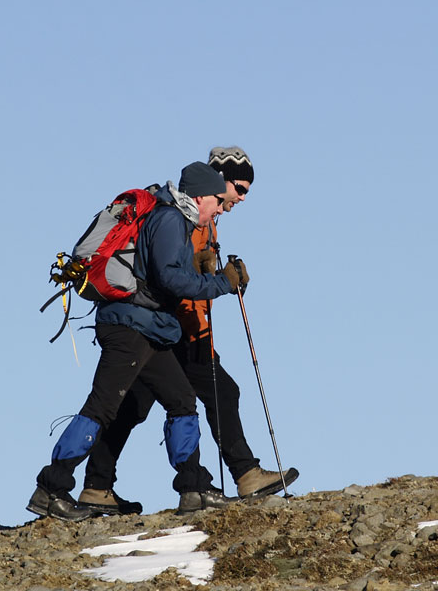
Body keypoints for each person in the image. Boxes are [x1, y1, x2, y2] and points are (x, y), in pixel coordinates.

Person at [77, 147, 299, 516]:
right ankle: (239, 476)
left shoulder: (203, 220)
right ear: (219, 181)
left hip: (166, 327)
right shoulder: (187, 219)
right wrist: (220, 283)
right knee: (219, 393)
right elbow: (174, 279)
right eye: (239, 188)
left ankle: (97, 485)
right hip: (176, 329)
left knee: (133, 406)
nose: (242, 198)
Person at [27, 161, 249, 521]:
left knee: (181, 400)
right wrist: (222, 283)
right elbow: (169, 280)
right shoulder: (171, 220)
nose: (221, 208)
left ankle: (194, 488)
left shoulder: (174, 218)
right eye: (218, 200)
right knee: (102, 407)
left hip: (148, 327)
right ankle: (51, 488)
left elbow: (161, 273)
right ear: (201, 195)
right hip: (130, 328)